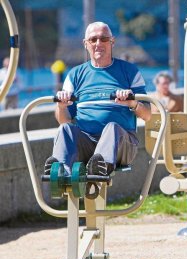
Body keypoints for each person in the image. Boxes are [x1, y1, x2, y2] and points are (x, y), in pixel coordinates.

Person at [44, 22, 151, 186]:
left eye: (103, 39)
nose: (98, 44)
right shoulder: (75, 75)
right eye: (93, 39)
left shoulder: (129, 71)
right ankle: (61, 171)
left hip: (121, 144)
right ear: (85, 44)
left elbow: (148, 115)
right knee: (65, 129)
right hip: (87, 142)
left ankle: (101, 166)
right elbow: (64, 121)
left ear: (112, 42)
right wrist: (61, 106)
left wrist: (132, 102)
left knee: (112, 127)